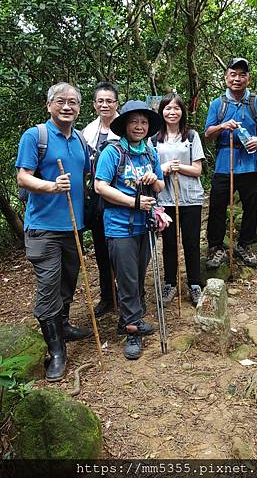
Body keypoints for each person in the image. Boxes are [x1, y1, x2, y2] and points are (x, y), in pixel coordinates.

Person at [16, 83, 92, 382]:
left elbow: (85, 174)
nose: (67, 107)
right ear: (49, 105)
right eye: (61, 101)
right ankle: (57, 350)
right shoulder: (36, 136)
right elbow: (23, 177)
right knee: (48, 287)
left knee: (67, 282)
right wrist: (50, 186)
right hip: (43, 228)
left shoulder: (80, 141)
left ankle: (63, 326)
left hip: (73, 226)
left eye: (73, 102)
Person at [94, 101, 164, 360]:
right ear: (124, 125)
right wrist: (133, 201)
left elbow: (160, 186)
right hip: (119, 225)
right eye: (134, 121)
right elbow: (100, 186)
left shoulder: (149, 152)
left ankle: (131, 317)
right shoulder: (113, 153)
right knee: (127, 278)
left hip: (144, 224)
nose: (139, 126)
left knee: (137, 272)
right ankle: (132, 330)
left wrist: (153, 179)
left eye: (144, 122)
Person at [205, 57, 257, 269]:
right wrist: (222, 126)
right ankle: (216, 247)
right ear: (226, 78)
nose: (237, 78)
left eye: (242, 74)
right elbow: (207, 133)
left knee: (251, 207)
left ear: (248, 78)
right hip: (225, 165)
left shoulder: (256, 103)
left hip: (251, 164)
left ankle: (245, 244)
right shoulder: (218, 104)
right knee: (216, 207)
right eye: (233, 74)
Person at [148, 92, 205, 307]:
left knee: (191, 242)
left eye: (176, 108)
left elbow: (198, 169)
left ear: (183, 112)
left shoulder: (191, 136)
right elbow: (151, 170)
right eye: (168, 108)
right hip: (164, 198)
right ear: (161, 111)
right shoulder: (153, 139)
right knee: (169, 243)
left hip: (190, 198)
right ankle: (170, 283)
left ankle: (195, 284)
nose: (172, 112)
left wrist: (178, 167)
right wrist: (162, 169)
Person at [82, 82, 119, 317]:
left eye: (109, 100)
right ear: (94, 104)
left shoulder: (127, 126)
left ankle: (129, 295)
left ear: (117, 103)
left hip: (123, 196)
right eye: (100, 101)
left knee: (122, 249)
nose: (105, 104)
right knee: (101, 249)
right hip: (97, 198)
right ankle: (108, 295)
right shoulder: (87, 131)